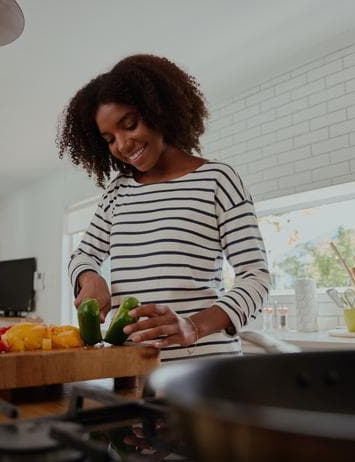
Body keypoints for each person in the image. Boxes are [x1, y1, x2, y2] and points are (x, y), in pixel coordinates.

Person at [57, 54, 270, 363]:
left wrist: (193, 327)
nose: (122, 145)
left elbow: (256, 276)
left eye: (129, 125)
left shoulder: (217, 180)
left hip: (205, 368)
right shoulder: (118, 192)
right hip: (134, 370)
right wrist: (90, 278)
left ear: (158, 111)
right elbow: (84, 255)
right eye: (109, 139)